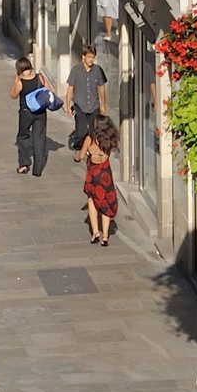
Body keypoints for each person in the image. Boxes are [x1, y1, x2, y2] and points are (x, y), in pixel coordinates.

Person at [82, 115, 119, 248]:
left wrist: (83, 155)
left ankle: (95, 232)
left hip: (93, 175)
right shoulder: (109, 141)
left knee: (92, 200)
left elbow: (80, 156)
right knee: (105, 203)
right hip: (105, 174)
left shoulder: (90, 140)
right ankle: (105, 236)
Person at [12, 55, 53, 177]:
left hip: (26, 112)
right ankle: (37, 169)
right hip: (40, 112)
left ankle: (24, 163)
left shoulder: (20, 82)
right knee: (39, 139)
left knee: (22, 136)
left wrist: (15, 81)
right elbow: (49, 91)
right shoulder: (40, 77)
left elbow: (13, 95)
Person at [65, 43, 108, 151]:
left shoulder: (98, 70)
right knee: (81, 129)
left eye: (93, 57)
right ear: (83, 57)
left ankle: (90, 148)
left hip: (94, 105)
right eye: (89, 57)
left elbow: (101, 88)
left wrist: (103, 105)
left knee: (94, 129)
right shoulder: (76, 70)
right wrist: (68, 105)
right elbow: (70, 89)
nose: (91, 60)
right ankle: (79, 147)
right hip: (80, 105)